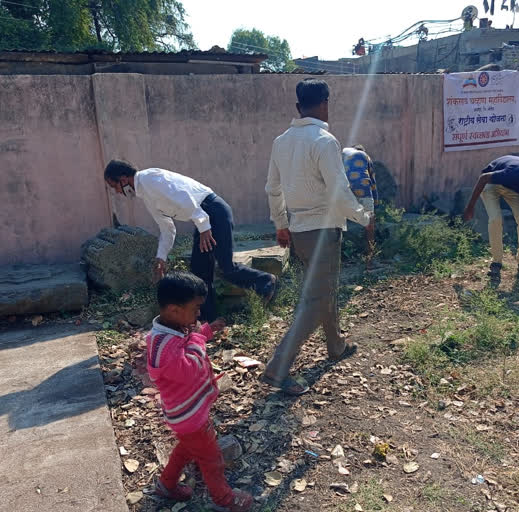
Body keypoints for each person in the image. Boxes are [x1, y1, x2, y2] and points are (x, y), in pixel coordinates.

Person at [262, 78, 371, 396]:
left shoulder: (281, 141)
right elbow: (339, 192)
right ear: (325, 104)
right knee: (317, 299)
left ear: (298, 107)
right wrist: (364, 216)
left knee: (324, 291)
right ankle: (277, 369)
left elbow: (273, 188)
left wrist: (281, 223)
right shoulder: (325, 141)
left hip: (298, 232)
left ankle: (336, 345)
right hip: (323, 231)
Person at [104, 161, 277, 322]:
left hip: (213, 212)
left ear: (123, 178)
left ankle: (266, 282)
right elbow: (167, 228)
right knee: (199, 272)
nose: (117, 192)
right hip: (203, 217)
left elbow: (183, 195)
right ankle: (208, 321)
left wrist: (204, 227)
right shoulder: (146, 194)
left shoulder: (149, 178)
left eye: (115, 186)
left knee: (226, 266)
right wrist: (161, 257)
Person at [146, 272, 252, 512]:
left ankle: (166, 485)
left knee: (185, 449)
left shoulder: (172, 328)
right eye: (195, 309)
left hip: (186, 413)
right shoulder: (164, 346)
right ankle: (224, 500)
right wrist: (198, 338)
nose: (198, 314)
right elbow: (190, 367)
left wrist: (204, 331)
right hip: (189, 417)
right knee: (211, 459)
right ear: (174, 310)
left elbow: (188, 343)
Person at [342, 144, 378, 257]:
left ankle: (340, 256)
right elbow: (372, 181)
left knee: (339, 223)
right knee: (369, 224)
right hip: (363, 190)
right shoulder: (366, 156)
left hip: (345, 190)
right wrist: (375, 203)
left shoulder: (343, 154)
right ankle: (370, 259)